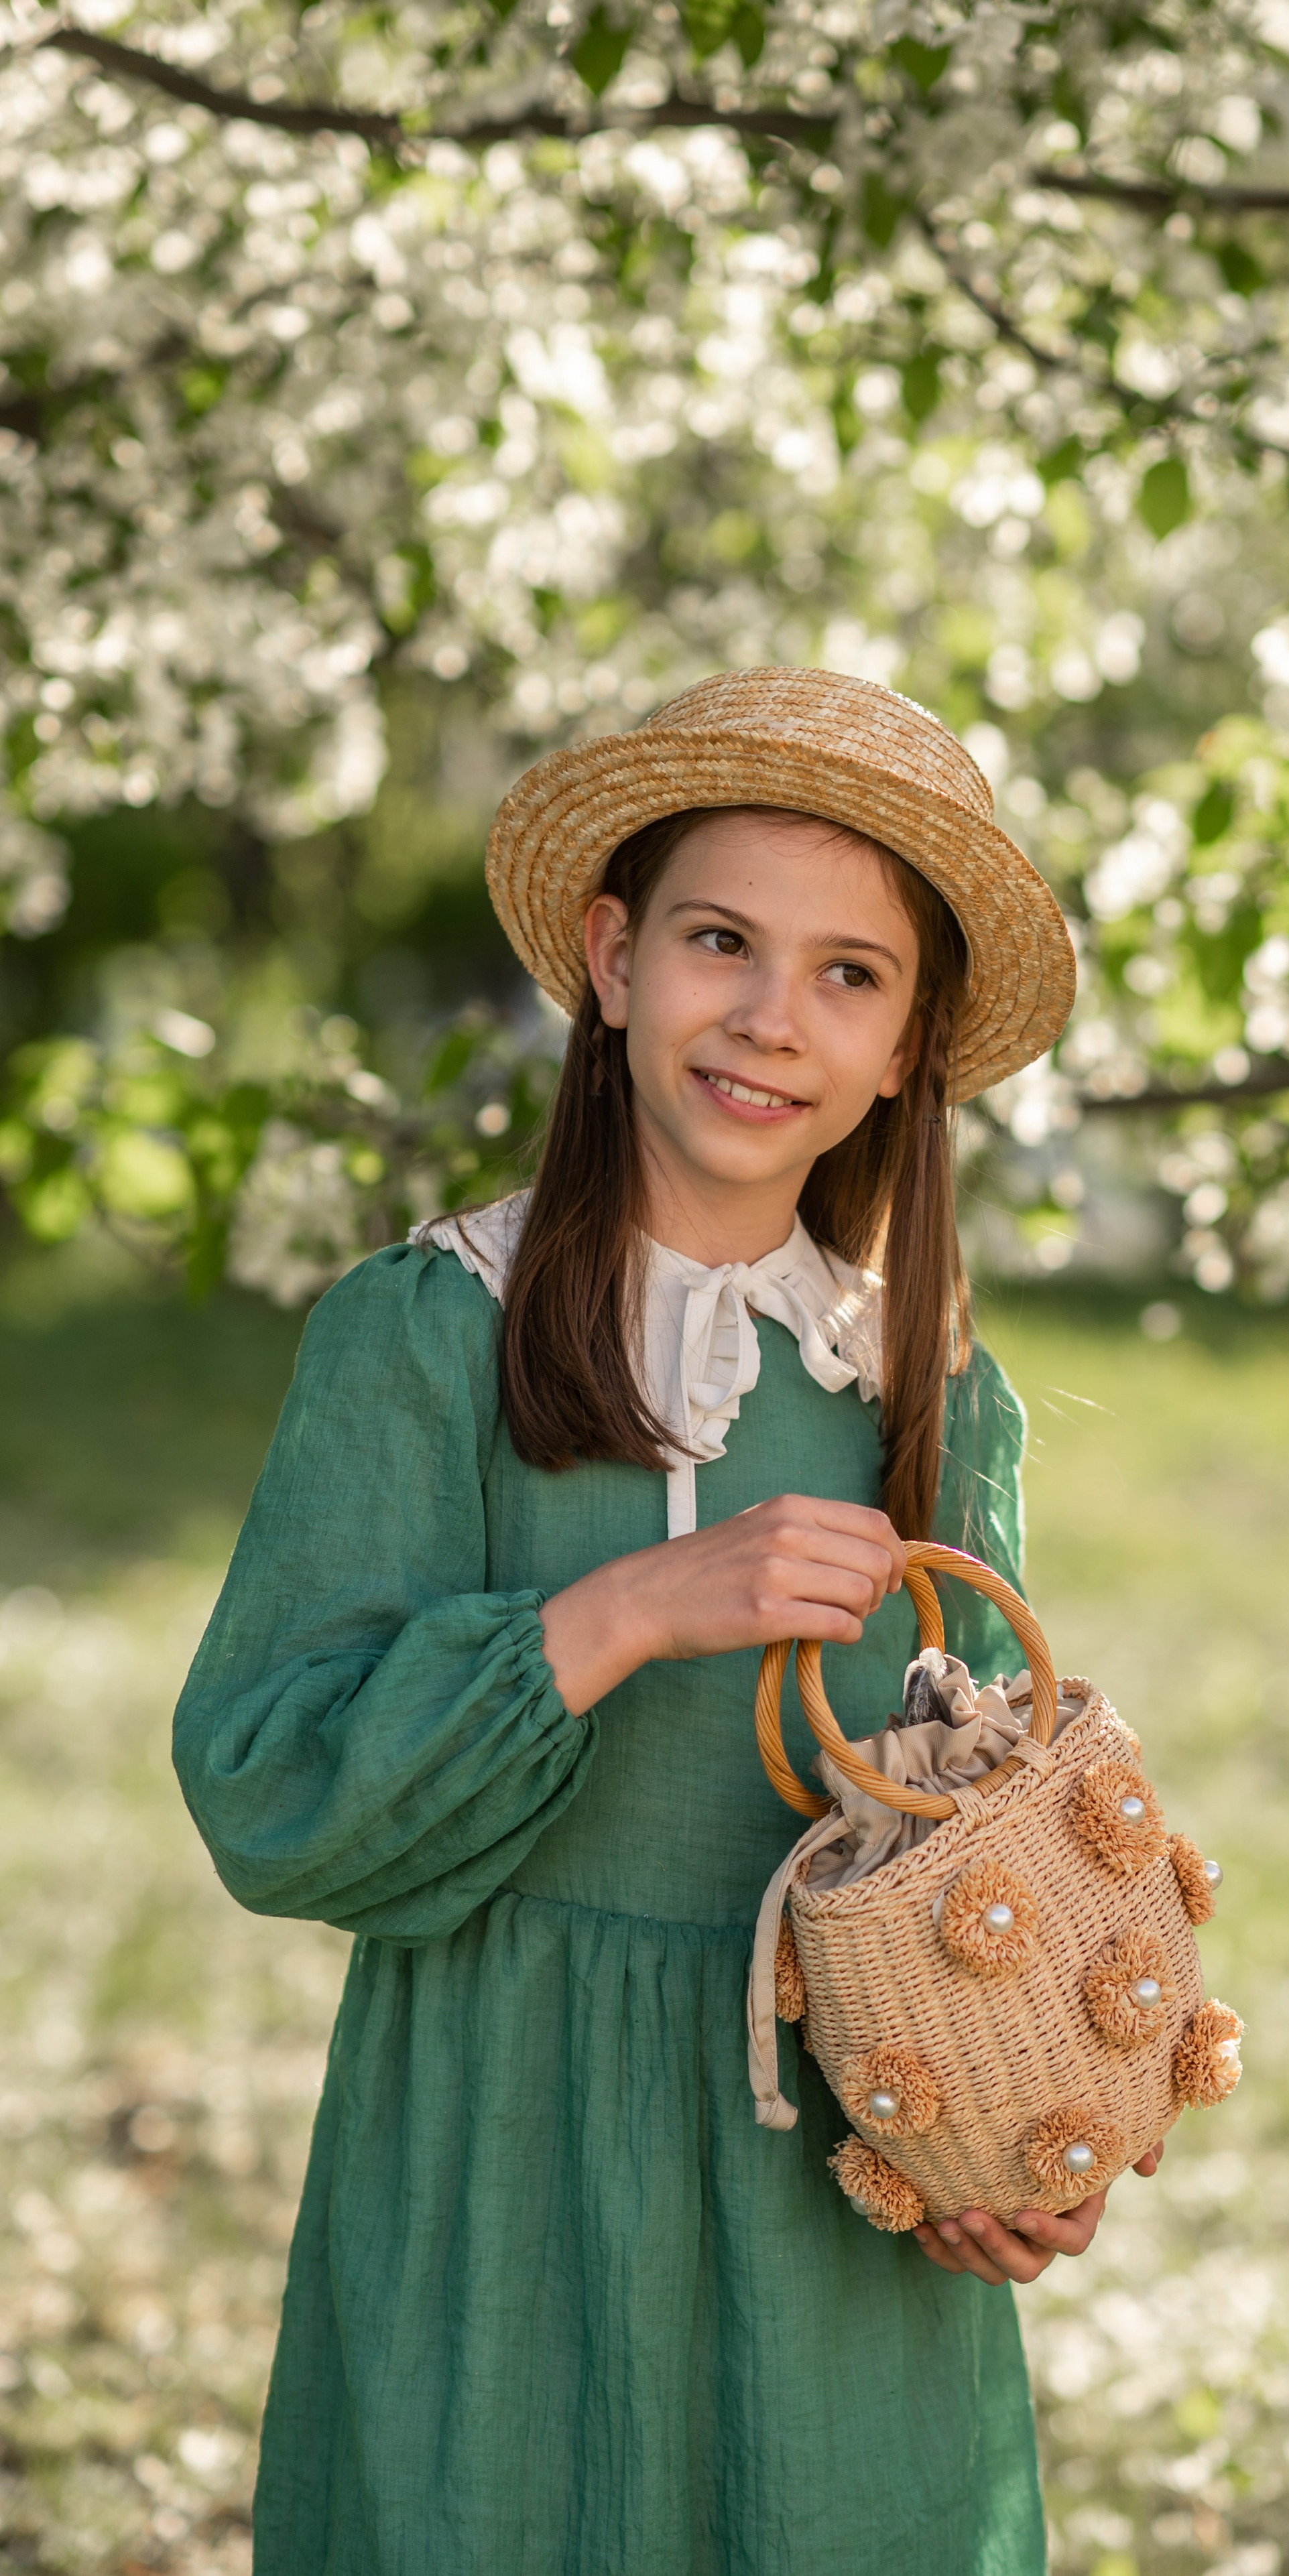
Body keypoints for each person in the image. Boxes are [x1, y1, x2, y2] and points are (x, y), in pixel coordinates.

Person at [174, 667, 1164, 2576]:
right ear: (615, 961)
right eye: (722, 942)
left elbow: (983, 1852)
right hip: (501, 2152)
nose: (771, 1017)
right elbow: (275, 1795)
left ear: (908, 1047)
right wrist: (625, 1609)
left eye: (849, 975)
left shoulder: (925, 1391)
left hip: (829, 2192)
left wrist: (1010, 2147)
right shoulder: (424, 1335)